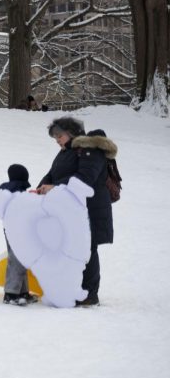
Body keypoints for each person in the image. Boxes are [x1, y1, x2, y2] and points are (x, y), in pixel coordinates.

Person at [33, 118, 115, 307]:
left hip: (91, 209)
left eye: (59, 135)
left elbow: (85, 178)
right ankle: (74, 288)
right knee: (74, 248)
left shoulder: (90, 149)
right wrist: (40, 188)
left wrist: (54, 187)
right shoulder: (66, 152)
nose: (57, 140)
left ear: (72, 133)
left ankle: (89, 294)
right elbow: (52, 174)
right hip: (72, 211)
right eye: (54, 137)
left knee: (88, 249)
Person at [0, 164, 39, 305]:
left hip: (9, 229)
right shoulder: (19, 193)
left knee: (20, 260)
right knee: (17, 261)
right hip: (19, 231)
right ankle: (11, 294)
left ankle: (22, 292)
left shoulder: (6, 190)